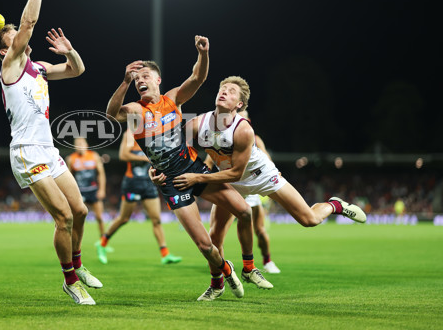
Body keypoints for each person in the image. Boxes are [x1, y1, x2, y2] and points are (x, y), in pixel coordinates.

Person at [156, 76, 366, 295]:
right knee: (215, 236)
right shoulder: (198, 123)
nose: (224, 92)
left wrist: (198, 178)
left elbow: (237, 172)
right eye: (222, 88)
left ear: (239, 104)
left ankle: (335, 205)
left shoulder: (243, 130)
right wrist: (159, 170)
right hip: (230, 182)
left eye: (231, 91)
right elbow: (174, 152)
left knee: (309, 220)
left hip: (262, 176)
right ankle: (217, 284)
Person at [106, 37, 258, 302]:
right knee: (204, 245)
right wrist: (125, 81)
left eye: (145, 75)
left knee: (244, 211)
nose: (140, 79)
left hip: (194, 168)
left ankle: (248, 266)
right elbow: (110, 115)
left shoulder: (172, 99)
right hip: (171, 182)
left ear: (157, 80)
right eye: (137, 77)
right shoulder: (135, 110)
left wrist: (203, 53)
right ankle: (223, 273)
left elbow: (197, 78)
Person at [0, 0, 101, 305]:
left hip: (48, 150)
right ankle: (70, 281)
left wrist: (70, 52)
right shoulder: (10, 66)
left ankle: (78, 265)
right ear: (6, 47)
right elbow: (28, 24)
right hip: (25, 152)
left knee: (81, 212)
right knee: (64, 217)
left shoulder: (36, 66)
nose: (19, 35)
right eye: (13, 35)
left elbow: (76, 71)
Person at [204, 110, 281, 274]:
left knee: (259, 230)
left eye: (243, 117)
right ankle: (220, 266)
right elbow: (208, 162)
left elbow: (266, 158)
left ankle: (267, 260)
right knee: (218, 233)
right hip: (232, 188)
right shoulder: (219, 139)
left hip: (252, 185)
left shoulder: (253, 137)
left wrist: (274, 171)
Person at [96, 128, 182, 265]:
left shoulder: (153, 134)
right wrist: (144, 157)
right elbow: (123, 155)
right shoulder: (129, 134)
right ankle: (102, 243)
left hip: (148, 182)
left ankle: (165, 254)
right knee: (123, 218)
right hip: (132, 182)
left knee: (156, 220)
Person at [66, 138, 107, 238]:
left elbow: (101, 174)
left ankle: (103, 242)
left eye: (81, 143)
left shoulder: (94, 156)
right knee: (76, 218)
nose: (79, 146)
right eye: (77, 144)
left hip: (93, 190)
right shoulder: (71, 158)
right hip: (79, 191)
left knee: (99, 217)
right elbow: (68, 177)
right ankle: (74, 240)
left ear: (86, 144)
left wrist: (102, 189)